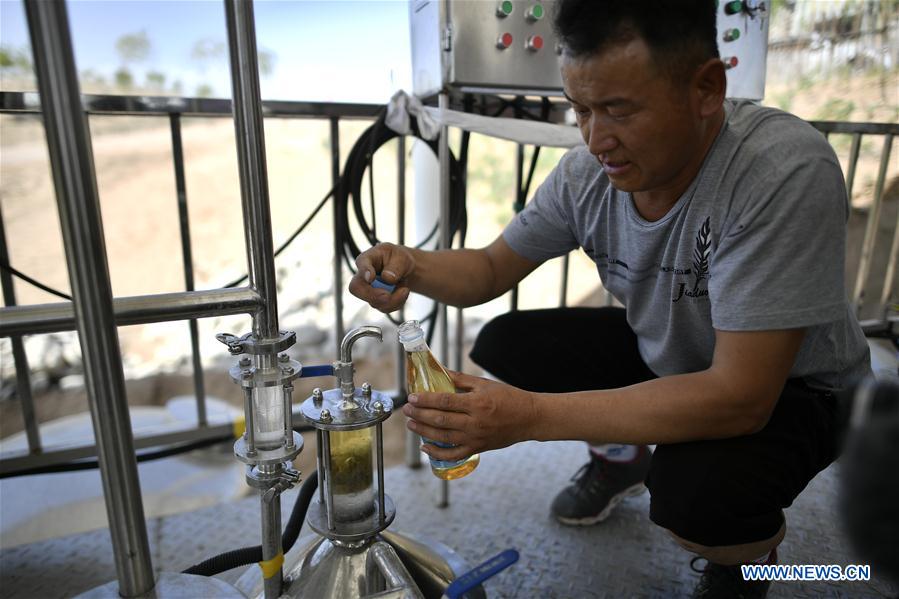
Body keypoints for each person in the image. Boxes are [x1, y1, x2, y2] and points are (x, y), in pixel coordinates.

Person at [349, 1, 871, 596]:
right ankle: (621, 456)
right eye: (580, 109)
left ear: (706, 88)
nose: (597, 139)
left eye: (619, 110)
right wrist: (414, 266)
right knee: (510, 343)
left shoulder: (779, 169)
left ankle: (751, 562)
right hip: (678, 352)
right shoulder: (585, 177)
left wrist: (530, 418)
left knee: (693, 500)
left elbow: (740, 397)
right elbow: (490, 268)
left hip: (797, 389)